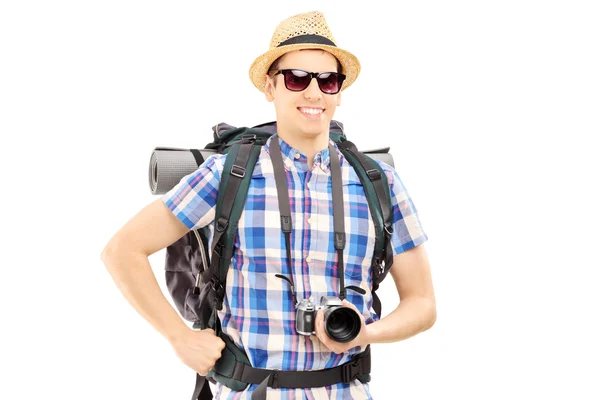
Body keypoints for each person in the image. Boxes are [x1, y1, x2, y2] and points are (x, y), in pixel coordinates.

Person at [101, 10, 436, 399]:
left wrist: (367, 332)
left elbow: (423, 303)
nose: (314, 93)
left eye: (328, 81)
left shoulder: (379, 182)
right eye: (297, 78)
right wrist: (179, 337)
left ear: (339, 92)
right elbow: (121, 250)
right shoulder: (229, 174)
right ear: (270, 87)